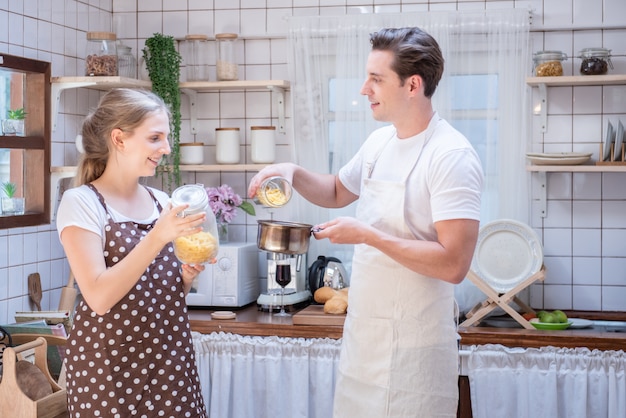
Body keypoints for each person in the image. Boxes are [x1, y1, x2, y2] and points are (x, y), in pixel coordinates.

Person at [248, 27, 483, 417]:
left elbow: (454, 264)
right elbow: (338, 190)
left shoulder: (451, 155)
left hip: (416, 350)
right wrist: (292, 171)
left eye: (376, 79)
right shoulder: (380, 143)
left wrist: (368, 236)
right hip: (365, 341)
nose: (363, 89)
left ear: (412, 85)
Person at [56, 88, 208, 417]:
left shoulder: (160, 202)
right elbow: (98, 296)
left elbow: (162, 294)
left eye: (166, 138)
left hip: (169, 362)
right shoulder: (81, 203)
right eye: (155, 138)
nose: (166, 149)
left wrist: (183, 277)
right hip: (107, 368)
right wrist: (157, 237)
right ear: (119, 139)